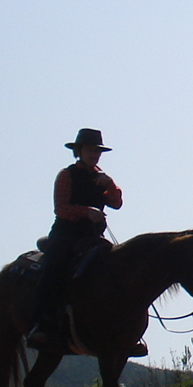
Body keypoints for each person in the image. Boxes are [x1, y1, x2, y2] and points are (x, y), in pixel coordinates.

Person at [26, 128, 123, 349]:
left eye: (97, 151)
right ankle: (39, 323)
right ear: (79, 151)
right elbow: (61, 208)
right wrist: (87, 211)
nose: (94, 155)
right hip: (66, 233)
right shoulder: (67, 175)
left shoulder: (101, 178)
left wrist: (109, 184)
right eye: (90, 150)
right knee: (54, 268)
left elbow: (116, 202)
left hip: (92, 236)